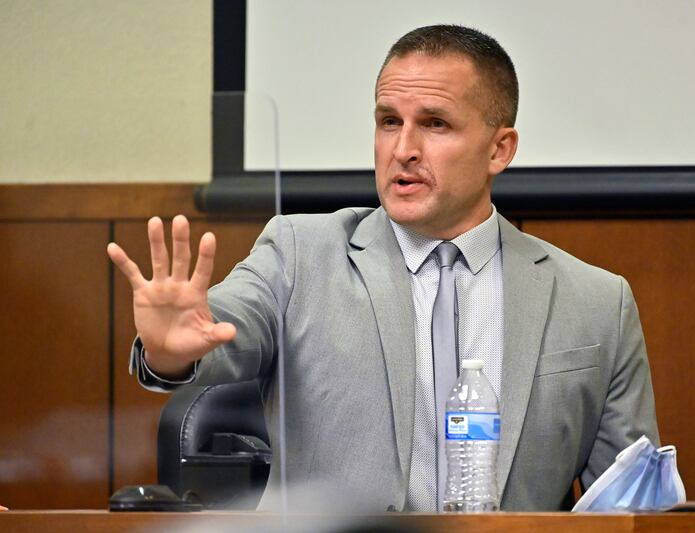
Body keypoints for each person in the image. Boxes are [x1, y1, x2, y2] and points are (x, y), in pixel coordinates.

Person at [108, 25, 658, 512]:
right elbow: (224, 327)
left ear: (500, 149)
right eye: (388, 121)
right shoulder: (300, 253)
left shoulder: (596, 302)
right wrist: (172, 351)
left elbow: (633, 506)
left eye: (436, 124)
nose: (404, 149)